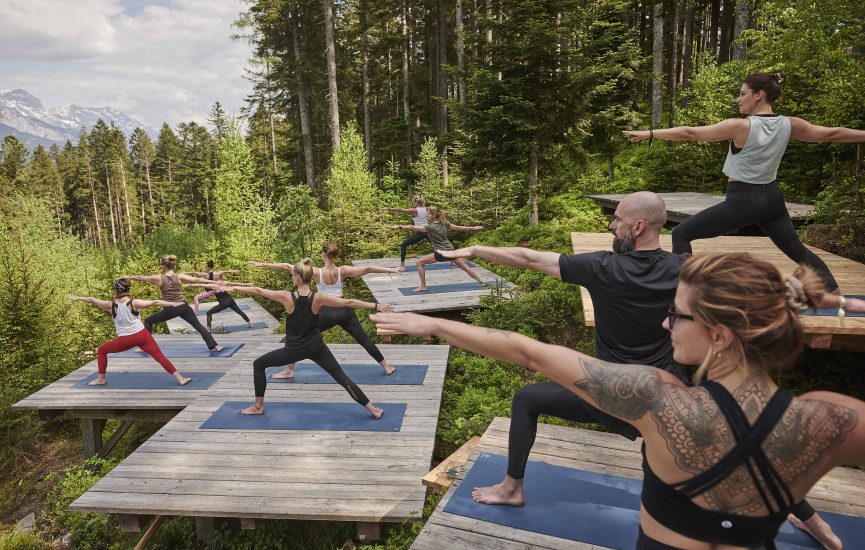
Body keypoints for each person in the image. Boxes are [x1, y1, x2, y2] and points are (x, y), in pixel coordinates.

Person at [371, 253, 865, 550]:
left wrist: (433, 324)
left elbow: (527, 352)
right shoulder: (831, 419)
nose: (666, 324)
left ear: (718, 335)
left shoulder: (658, 399)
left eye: (677, 315)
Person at [623, 71, 865, 293]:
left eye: (742, 94)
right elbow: (831, 134)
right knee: (797, 250)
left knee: (682, 233)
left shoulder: (740, 126)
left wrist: (652, 133)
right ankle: (836, 294)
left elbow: (690, 133)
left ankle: (685, 293)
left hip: (743, 201)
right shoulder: (789, 124)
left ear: (758, 95)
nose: (738, 99)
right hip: (771, 200)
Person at [210, 258, 392, 418]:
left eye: (292, 275)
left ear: (297, 278)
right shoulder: (318, 298)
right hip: (317, 347)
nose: (291, 278)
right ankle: (373, 409)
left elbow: (258, 290)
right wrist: (375, 306)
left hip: (294, 350)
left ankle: (258, 406)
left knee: (258, 364)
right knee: (342, 378)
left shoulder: (286, 297)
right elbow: (348, 302)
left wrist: (233, 287)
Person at [249, 242, 404, 379]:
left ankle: (288, 370)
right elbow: (368, 269)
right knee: (364, 339)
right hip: (344, 310)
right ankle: (387, 367)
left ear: (324, 254)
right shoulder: (343, 270)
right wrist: (392, 270)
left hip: (326, 313)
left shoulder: (316, 272)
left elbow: (286, 266)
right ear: (335, 255)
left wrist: (262, 264)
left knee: (298, 336)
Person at [68, 279, 191, 386]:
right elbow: (155, 302)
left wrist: (78, 298)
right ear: (128, 289)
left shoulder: (110, 305)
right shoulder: (134, 303)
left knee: (101, 350)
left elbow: (92, 299)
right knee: (160, 357)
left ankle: (101, 379)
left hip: (126, 340)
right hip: (143, 336)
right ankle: (181, 379)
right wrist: (173, 303)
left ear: (115, 290)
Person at [125, 254, 223, 352]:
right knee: (198, 326)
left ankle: (144, 347)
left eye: (160, 264)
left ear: (163, 266)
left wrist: (128, 278)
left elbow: (140, 277)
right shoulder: (179, 276)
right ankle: (216, 346)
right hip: (183, 306)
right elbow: (197, 279)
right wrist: (214, 283)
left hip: (170, 308)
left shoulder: (158, 278)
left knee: (148, 321)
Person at [389, 207, 485, 291]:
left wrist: (399, 227)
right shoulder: (445, 223)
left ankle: (423, 286)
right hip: (451, 251)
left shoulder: (430, 227)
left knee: (419, 263)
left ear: (433, 216)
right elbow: (459, 228)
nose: (427, 216)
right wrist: (474, 227)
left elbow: (411, 227)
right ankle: (482, 282)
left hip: (441, 253)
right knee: (466, 268)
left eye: (428, 214)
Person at [184, 261, 254, 330]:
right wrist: (247, 284)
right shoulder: (225, 282)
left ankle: (208, 329)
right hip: (230, 300)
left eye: (213, 276)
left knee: (209, 313)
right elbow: (236, 283)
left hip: (224, 303)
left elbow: (200, 284)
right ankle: (250, 323)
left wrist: (190, 284)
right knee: (239, 311)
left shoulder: (213, 285)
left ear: (215, 278)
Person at [381, 195, 430, 267]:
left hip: (421, 232)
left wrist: (388, 209)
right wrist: (449, 213)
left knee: (404, 244)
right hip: (429, 231)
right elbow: (438, 211)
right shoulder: (426, 209)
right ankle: (451, 259)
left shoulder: (415, 210)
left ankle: (402, 263)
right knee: (438, 245)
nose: (412, 204)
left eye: (413, 203)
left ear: (416, 202)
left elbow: (400, 210)